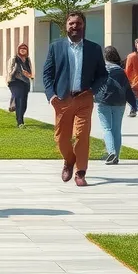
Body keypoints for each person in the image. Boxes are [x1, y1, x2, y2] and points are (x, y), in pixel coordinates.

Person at [43, 11, 108, 187]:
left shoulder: (94, 49)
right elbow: (47, 74)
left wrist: (92, 91)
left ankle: (80, 172)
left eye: (78, 23)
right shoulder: (55, 47)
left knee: (81, 135)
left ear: (83, 25)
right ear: (66, 26)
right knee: (61, 139)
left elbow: (103, 75)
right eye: (71, 23)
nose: (74, 26)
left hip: (84, 99)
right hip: (62, 100)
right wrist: (51, 96)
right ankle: (69, 161)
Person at [99, 46, 136, 165]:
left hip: (104, 102)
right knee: (116, 130)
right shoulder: (121, 71)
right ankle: (116, 156)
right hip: (120, 103)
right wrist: (133, 104)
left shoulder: (102, 70)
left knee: (106, 128)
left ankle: (111, 152)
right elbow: (127, 89)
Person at [6, 43, 34, 127]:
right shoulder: (14, 59)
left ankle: (19, 114)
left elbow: (31, 74)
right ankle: (20, 122)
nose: (23, 49)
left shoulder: (28, 59)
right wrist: (17, 70)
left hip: (25, 82)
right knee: (19, 100)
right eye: (21, 48)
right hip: (15, 81)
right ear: (18, 49)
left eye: (24, 48)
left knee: (24, 103)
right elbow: (10, 71)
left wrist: (28, 75)